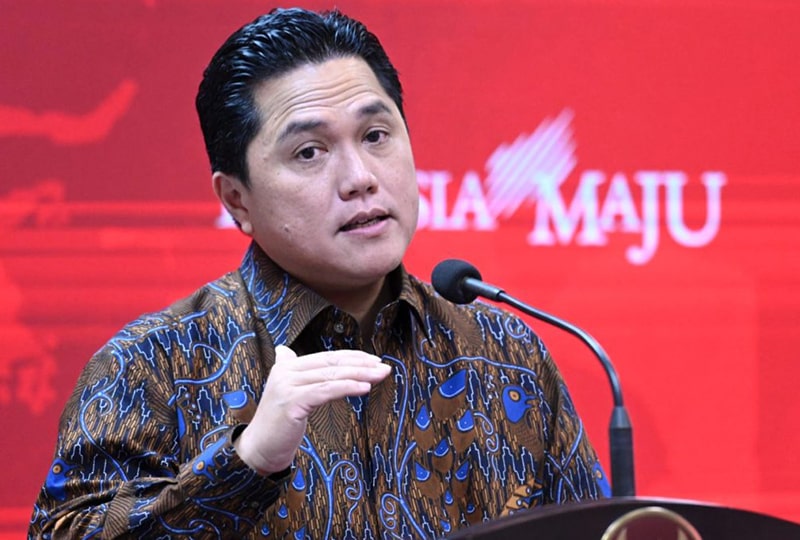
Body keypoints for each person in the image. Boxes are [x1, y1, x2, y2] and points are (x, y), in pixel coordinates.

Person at [29, 7, 609, 539]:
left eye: (376, 136)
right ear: (236, 200)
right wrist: (246, 464)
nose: (360, 177)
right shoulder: (151, 366)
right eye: (309, 152)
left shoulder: (506, 355)